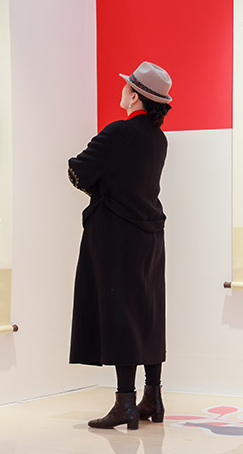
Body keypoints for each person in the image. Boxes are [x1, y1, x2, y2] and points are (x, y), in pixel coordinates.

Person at [68, 61, 173, 430]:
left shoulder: (119, 132)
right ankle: (153, 398)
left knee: (121, 314)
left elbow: (78, 170)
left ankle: (125, 403)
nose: (123, 90)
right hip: (150, 234)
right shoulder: (159, 139)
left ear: (135, 96)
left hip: (116, 235)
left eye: (127, 86)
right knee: (148, 312)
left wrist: (100, 188)